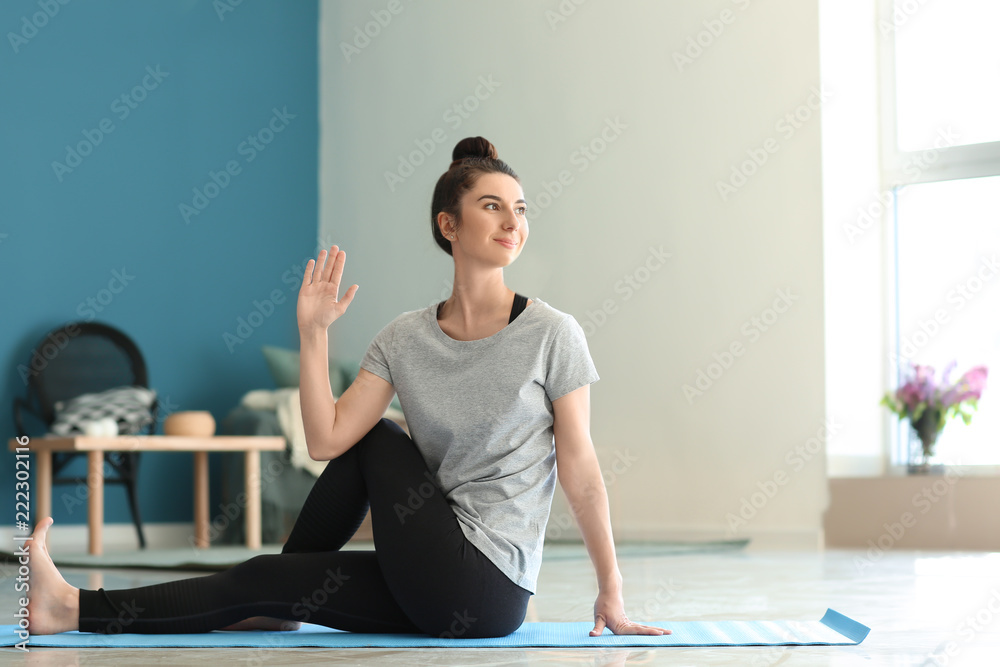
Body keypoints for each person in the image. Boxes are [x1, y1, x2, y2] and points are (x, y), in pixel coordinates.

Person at [25, 136, 669, 639]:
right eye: (492, 206)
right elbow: (326, 438)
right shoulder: (404, 338)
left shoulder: (553, 333)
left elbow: (580, 468)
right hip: (428, 577)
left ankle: (275, 593)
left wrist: (610, 587)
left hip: (489, 585)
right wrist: (313, 337)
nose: (513, 222)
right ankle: (69, 608)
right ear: (449, 225)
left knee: (379, 439)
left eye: (520, 209)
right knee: (262, 578)